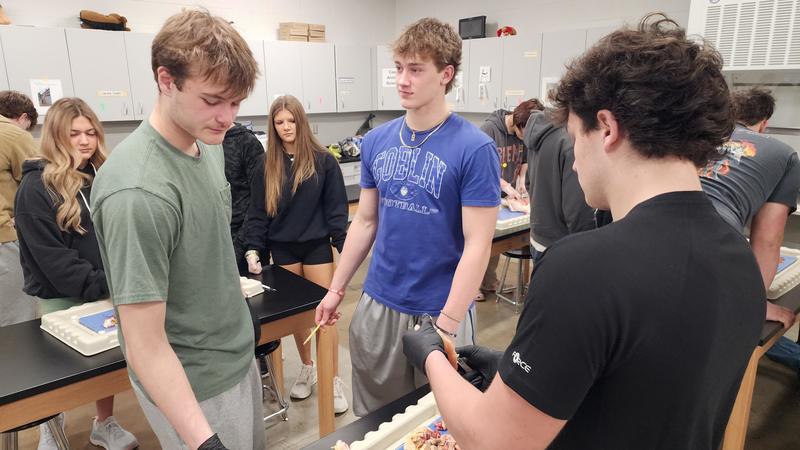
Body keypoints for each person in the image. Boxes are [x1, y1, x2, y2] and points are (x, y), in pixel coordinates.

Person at [403, 14, 765, 449]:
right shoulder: (741, 258)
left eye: (575, 138)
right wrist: (519, 372)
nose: (574, 162)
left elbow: (492, 441)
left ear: (608, 129)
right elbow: (647, 387)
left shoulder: (582, 268)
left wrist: (431, 358)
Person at [91, 10, 264, 450]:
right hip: (196, 385)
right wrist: (203, 442)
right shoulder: (138, 190)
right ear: (166, 80)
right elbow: (144, 344)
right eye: (212, 100)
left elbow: (207, 254)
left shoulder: (204, 145)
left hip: (235, 357)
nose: (227, 118)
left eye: (236, 102)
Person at [315, 17, 501, 417]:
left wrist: (447, 326)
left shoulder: (475, 148)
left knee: (437, 420)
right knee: (374, 417)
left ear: (445, 74)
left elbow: (478, 243)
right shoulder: (377, 141)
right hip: (378, 302)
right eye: (398, 68)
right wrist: (335, 290)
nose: (402, 79)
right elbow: (365, 222)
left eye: (416, 69)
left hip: (438, 309)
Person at [14, 98, 138, 450]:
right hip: (62, 298)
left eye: (90, 133)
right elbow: (53, 260)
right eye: (74, 134)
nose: (85, 141)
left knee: (109, 364)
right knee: (59, 375)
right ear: (55, 136)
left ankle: (104, 423)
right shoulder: (35, 189)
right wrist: (106, 283)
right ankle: (50, 432)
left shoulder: (101, 177)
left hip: (107, 287)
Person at [245, 94, 349, 413]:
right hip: (283, 248)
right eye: (279, 122)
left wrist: (344, 248)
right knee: (298, 319)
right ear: (273, 126)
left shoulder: (322, 160)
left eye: (291, 121)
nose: (286, 127)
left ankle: (332, 379)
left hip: (317, 246)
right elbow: (258, 212)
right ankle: (308, 368)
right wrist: (253, 249)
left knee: (325, 315)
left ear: (301, 122)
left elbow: (336, 210)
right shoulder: (267, 164)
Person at [699, 87, 800, 373]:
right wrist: (755, 305)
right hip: (710, 246)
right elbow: (767, 240)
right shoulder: (784, 155)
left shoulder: (698, 135)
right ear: (764, 124)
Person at [476, 99, 539, 299]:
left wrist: (520, 181)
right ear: (517, 124)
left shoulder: (524, 132)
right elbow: (482, 167)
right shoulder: (489, 130)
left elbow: (524, 161)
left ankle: (488, 282)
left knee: (496, 246)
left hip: (505, 196)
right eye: (524, 134)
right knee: (480, 243)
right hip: (484, 193)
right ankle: (471, 286)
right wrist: (506, 186)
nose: (525, 139)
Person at [523, 107, 595, 260]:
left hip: (538, 236)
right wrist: (587, 247)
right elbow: (576, 208)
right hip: (560, 243)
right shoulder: (569, 142)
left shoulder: (537, 136)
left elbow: (528, 182)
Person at [0, 90, 38, 326]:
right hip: (4, 240)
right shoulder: (13, 134)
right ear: (23, 117)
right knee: (17, 323)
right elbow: (38, 186)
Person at [222, 122, 265, 274]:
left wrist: (238, 248)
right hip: (219, 238)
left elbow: (259, 201)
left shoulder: (248, 143)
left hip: (247, 241)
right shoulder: (203, 144)